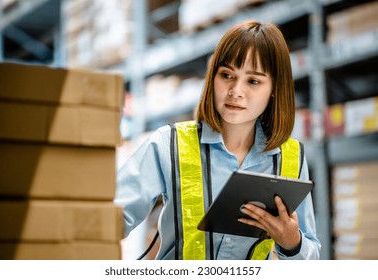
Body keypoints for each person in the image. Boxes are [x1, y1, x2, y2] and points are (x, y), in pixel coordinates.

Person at [115, 20, 321, 260]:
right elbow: (110, 219)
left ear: (275, 88)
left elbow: (312, 257)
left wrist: (292, 243)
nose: (235, 90)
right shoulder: (168, 143)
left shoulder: (292, 158)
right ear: (213, 78)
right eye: (226, 75)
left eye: (253, 81)